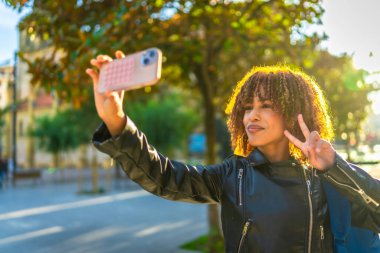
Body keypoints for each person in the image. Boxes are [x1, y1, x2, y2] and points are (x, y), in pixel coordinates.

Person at [86, 51, 380, 253]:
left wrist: (334, 167)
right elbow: (163, 177)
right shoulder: (233, 175)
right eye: (247, 107)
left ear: (295, 114)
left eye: (266, 106)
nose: (251, 116)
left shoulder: (328, 177)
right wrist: (116, 120)